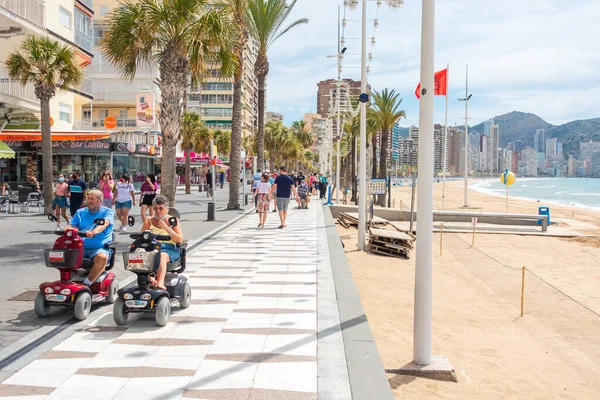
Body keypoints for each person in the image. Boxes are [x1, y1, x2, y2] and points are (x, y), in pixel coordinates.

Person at [67, 190, 114, 287]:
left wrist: (93, 232)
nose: (89, 201)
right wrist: (68, 229)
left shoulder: (107, 212)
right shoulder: (80, 212)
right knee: (62, 254)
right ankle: (67, 281)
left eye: (92, 199)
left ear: (99, 201)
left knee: (102, 257)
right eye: (88, 198)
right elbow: (71, 225)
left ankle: (87, 284)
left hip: (98, 248)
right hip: (80, 247)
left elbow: (104, 224)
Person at [142, 195, 183, 290]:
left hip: (168, 249)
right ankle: (150, 279)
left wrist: (167, 228)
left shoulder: (172, 220)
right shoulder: (149, 220)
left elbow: (179, 239)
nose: (158, 211)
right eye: (155, 208)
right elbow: (142, 236)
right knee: (140, 254)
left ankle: (160, 283)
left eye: (161, 208)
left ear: (167, 209)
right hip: (152, 248)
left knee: (161, 256)